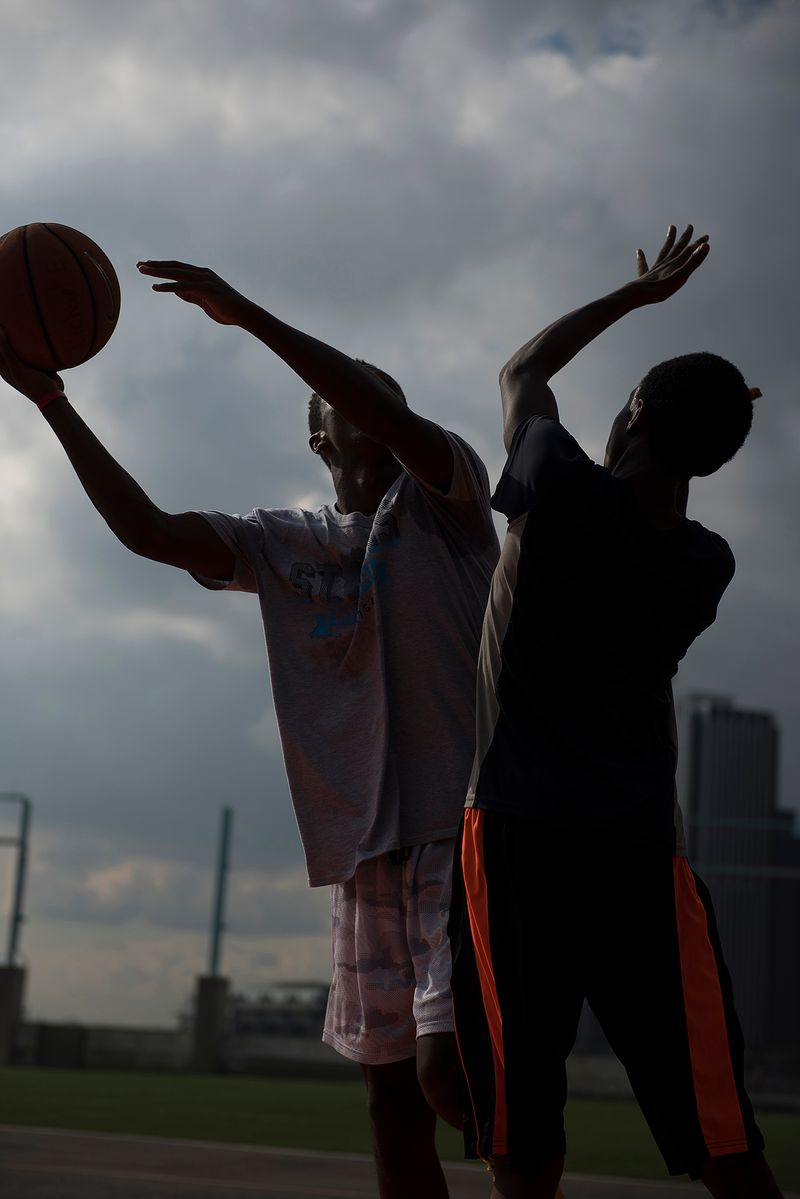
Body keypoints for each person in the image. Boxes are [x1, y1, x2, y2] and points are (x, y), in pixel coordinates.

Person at [0, 262, 499, 1199]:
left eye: (386, 390)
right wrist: (50, 403)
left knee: (447, 1076)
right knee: (390, 1106)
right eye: (349, 394)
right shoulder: (287, 541)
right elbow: (147, 530)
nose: (375, 400)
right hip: (360, 853)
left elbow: (386, 414)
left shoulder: (449, 499)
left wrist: (247, 317)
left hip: (455, 831)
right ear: (316, 433)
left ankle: (532, 1148)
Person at [448, 224, 783, 1199]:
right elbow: (657, 463)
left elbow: (526, 364)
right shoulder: (701, 566)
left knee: (521, 1122)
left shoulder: (552, 484)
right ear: (716, 454)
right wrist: (696, 411)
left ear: (633, 409)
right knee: (716, 1128)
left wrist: (635, 298)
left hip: (515, 832)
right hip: (639, 850)